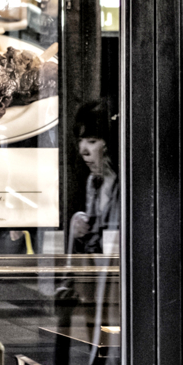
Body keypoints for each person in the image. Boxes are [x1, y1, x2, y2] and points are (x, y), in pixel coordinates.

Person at [69, 99, 119, 254]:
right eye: (80, 141)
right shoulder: (94, 182)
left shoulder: (125, 186)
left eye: (92, 141)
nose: (83, 150)